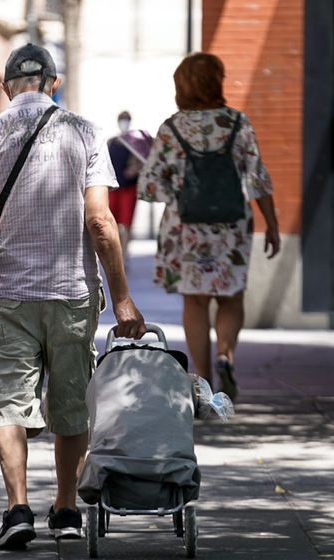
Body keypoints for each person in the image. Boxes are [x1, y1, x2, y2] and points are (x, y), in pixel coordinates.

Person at [0, 43, 146, 551]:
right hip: (71, 292)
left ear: (6, 86)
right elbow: (101, 221)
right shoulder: (85, 133)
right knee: (71, 403)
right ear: (54, 84)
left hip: (8, 293)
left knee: (8, 404)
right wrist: (123, 298)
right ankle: (65, 510)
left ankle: (17, 507)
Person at [138, 52, 280, 402]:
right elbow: (258, 178)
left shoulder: (172, 129)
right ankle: (225, 355)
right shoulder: (237, 123)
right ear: (216, 82)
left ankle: (202, 380)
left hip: (186, 230)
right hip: (231, 227)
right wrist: (273, 225)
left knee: (196, 302)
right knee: (231, 298)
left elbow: (148, 186)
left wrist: (177, 191)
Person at [106, 111, 153, 257]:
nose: (124, 122)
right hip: (113, 188)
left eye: (126, 120)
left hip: (129, 188)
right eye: (122, 119)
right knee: (111, 222)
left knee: (126, 223)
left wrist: (134, 169)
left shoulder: (136, 142)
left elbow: (144, 160)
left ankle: (123, 254)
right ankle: (114, 252)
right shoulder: (112, 141)